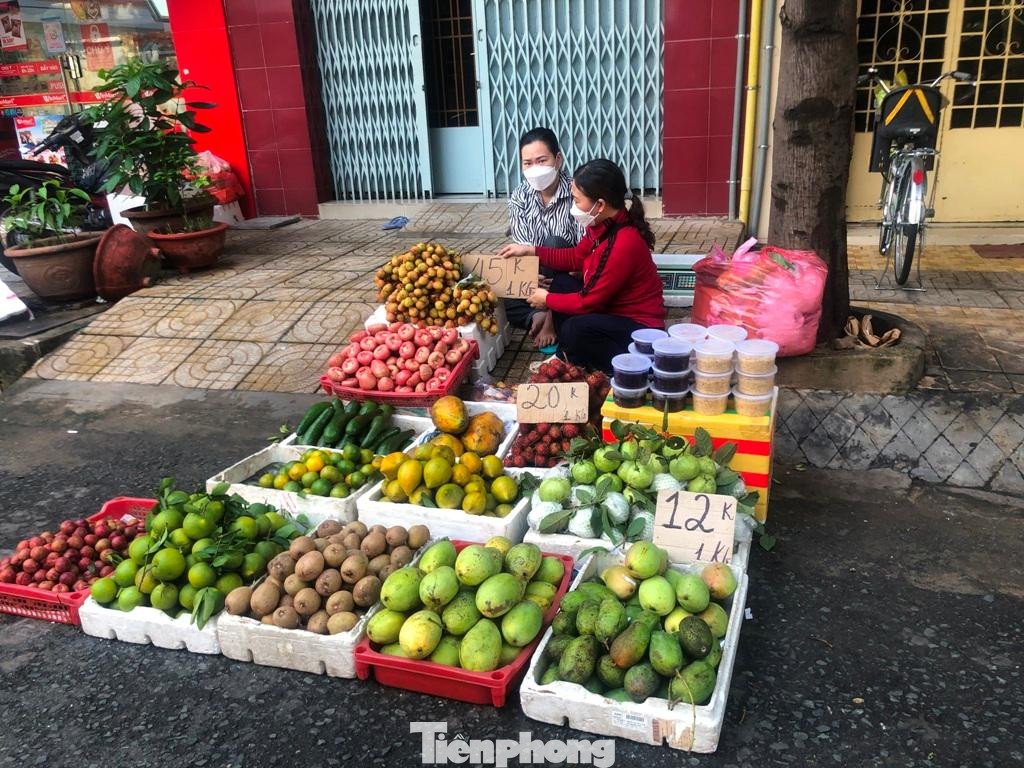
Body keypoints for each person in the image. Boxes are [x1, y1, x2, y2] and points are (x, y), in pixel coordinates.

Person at [497, 158, 665, 373]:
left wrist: (546, 299)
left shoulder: (623, 243)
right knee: (561, 283)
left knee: (575, 329)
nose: (573, 208)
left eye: (577, 201)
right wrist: (531, 250)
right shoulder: (602, 225)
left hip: (640, 330)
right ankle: (568, 353)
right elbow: (576, 257)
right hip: (610, 311)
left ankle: (617, 366)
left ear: (600, 204)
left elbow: (588, 302)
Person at [504, 127, 583, 349]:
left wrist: (556, 282)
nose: (534, 169)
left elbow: (583, 250)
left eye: (541, 160)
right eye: (527, 163)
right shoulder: (520, 196)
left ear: (558, 160)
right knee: (498, 286)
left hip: (570, 274)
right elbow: (522, 246)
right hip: (535, 276)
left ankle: (549, 316)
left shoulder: (577, 192)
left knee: (554, 243)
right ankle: (534, 317)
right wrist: (529, 277)